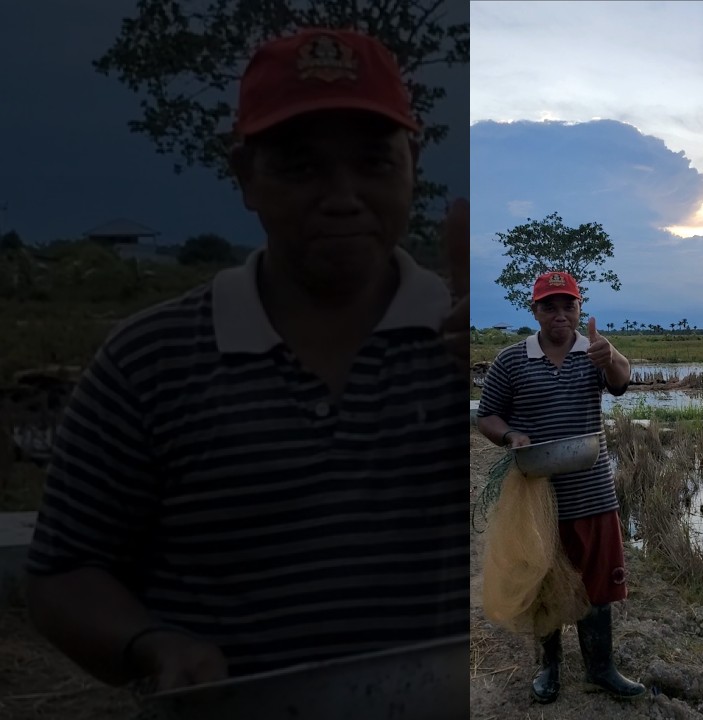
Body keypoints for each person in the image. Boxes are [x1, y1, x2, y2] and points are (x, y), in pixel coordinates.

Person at [24, 27, 470, 693]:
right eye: (301, 166)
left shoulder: (480, 349)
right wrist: (148, 643)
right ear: (244, 177)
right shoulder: (149, 361)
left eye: (374, 163)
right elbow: (64, 571)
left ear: (414, 161)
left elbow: (579, 528)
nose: (342, 195)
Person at [475, 270, 646, 703]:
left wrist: (611, 356)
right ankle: (549, 667)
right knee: (544, 580)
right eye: (549, 306)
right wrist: (510, 436)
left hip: (593, 492)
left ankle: (601, 668)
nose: (559, 314)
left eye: (567, 305)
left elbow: (623, 382)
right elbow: (487, 415)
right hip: (537, 497)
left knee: (599, 585)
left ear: (578, 308)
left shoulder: (595, 353)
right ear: (535, 311)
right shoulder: (512, 361)